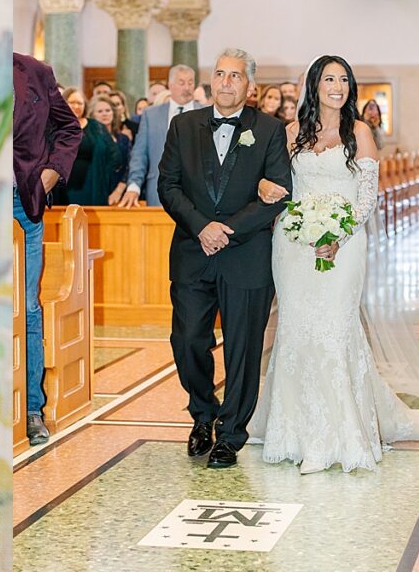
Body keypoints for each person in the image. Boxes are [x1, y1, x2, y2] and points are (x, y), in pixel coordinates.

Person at [250, 55, 419, 473]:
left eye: (344, 79)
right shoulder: (291, 132)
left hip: (343, 244)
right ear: (314, 85)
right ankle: (293, 431)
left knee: (333, 329)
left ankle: (336, 435)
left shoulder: (359, 132)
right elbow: (275, 183)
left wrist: (337, 235)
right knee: (296, 332)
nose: (337, 86)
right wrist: (267, 190)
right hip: (293, 247)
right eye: (329, 78)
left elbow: (367, 198)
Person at [157, 49, 292, 468]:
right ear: (211, 80)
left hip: (245, 255)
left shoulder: (270, 130)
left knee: (242, 348)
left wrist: (226, 230)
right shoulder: (183, 125)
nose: (227, 82)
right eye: (220, 74)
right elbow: (168, 186)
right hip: (193, 252)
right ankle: (202, 413)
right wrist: (202, 227)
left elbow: (278, 191)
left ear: (249, 85)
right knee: (187, 339)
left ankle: (231, 432)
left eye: (236, 76)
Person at [13, 53, 82, 446]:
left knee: (26, 303)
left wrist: (49, 175)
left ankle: (31, 408)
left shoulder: (33, 72)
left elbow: (68, 129)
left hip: (22, 202)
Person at [119, 65, 199, 209]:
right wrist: (134, 186)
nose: (187, 87)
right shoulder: (151, 115)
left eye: (191, 82)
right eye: (181, 83)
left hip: (198, 196)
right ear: (170, 85)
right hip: (159, 193)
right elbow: (139, 154)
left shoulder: (207, 112)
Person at [57, 94, 125, 206]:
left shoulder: (96, 126)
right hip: (63, 187)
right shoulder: (55, 126)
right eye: (72, 102)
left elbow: (114, 157)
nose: (76, 106)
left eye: (80, 103)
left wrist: (102, 175)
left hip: (93, 185)